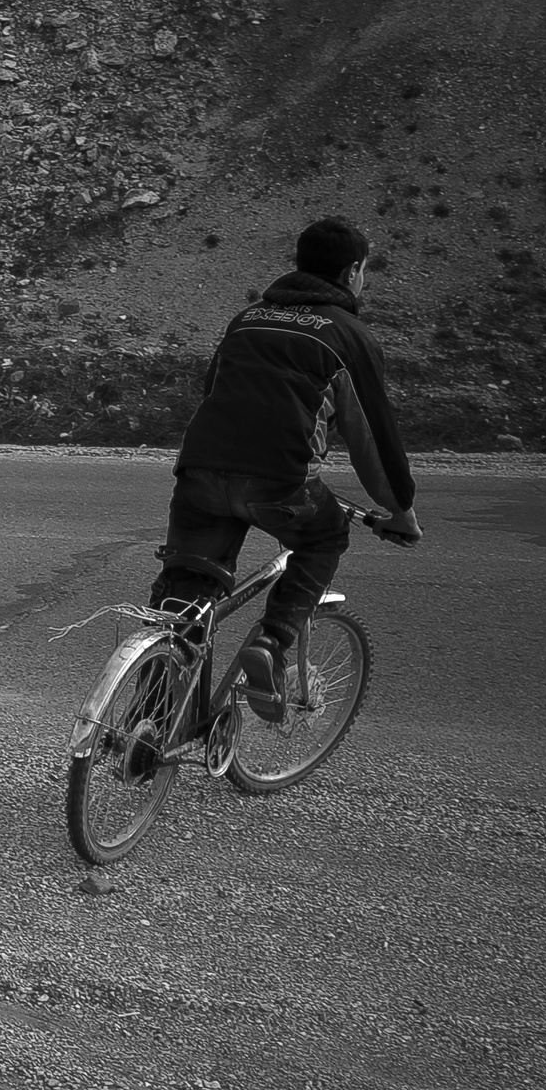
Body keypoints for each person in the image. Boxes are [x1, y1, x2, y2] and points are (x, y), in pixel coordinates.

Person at [153, 215, 421, 717]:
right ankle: (272, 645)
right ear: (351, 273)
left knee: (183, 599)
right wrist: (399, 509)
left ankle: (150, 721)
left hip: (199, 473)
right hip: (281, 485)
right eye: (364, 272)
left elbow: (213, 390)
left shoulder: (246, 320)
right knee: (324, 536)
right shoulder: (349, 335)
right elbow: (374, 437)